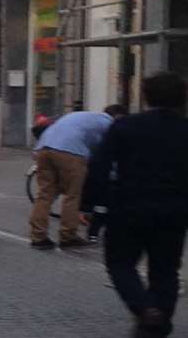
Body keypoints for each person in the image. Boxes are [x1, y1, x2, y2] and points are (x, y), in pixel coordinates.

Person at [83, 72, 188, 338]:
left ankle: (145, 310)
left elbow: (99, 166)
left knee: (120, 263)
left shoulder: (125, 126)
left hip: (128, 205)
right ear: (183, 98)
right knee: (166, 270)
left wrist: (92, 204)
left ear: (146, 96)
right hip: (174, 206)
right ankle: (156, 328)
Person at [29, 104, 127, 250]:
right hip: (70, 152)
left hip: (43, 148)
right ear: (118, 117)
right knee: (73, 194)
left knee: (45, 194)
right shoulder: (108, 124)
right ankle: (68, 236)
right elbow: (107, 153)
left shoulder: (83, 116)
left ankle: (38, 237)